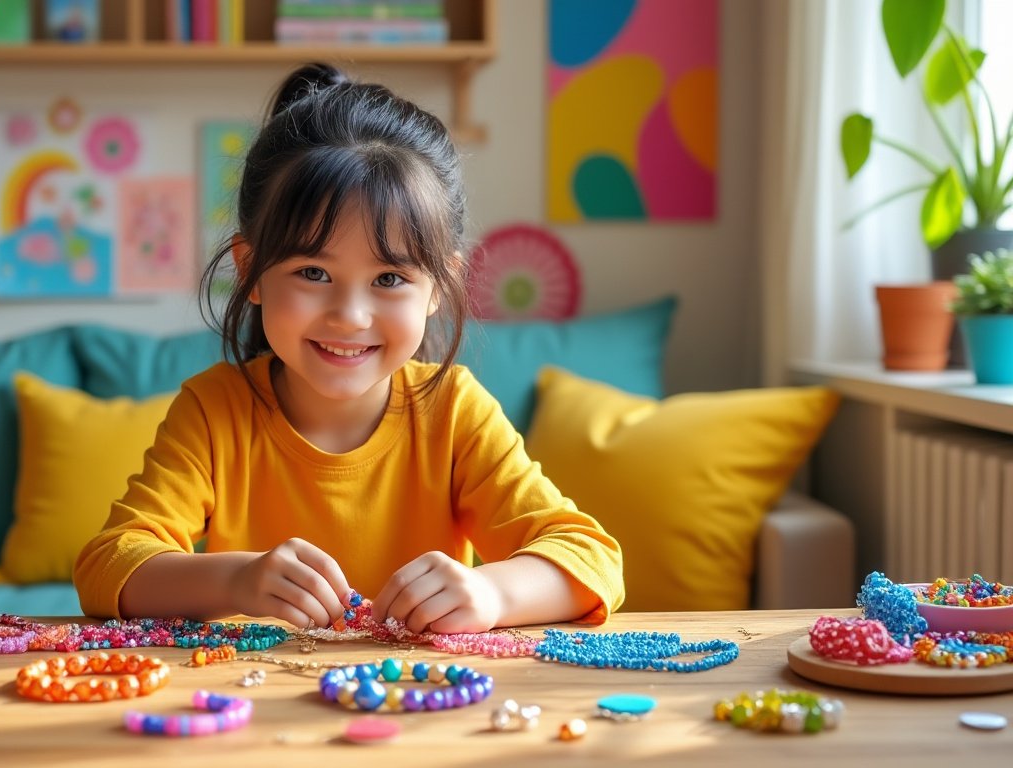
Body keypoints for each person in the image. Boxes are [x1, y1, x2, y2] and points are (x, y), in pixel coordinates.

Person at [74, 63, 623, 633]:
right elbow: (108, 564)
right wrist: (237, 581)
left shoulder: (454, 413)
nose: (350, 316)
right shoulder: (215, 412)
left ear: (438, 288)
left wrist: (492, 594)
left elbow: (592, 558)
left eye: (389, 279)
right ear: (251, 271)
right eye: (313, 272)